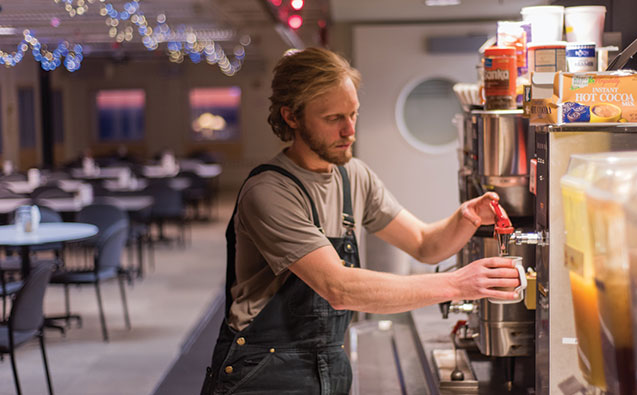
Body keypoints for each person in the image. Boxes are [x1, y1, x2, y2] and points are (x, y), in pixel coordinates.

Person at [201, 47, 521, 395]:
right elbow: (339, 288)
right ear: (291, 116)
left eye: (353, 114)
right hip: (261, 374)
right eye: (334, 118)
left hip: (328, 366)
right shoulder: (269, 192)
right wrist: (458, 284)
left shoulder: (352, 176)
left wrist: (465, 219)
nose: (349, 130)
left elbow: (424, 244)